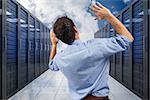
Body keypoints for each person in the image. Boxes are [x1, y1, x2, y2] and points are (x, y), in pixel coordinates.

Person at [49, 2, 134, 100]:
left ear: (59, 38)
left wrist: (54, 44)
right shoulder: (96, 46)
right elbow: (128, 38)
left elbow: (51, 65)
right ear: (75, 29)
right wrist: (109, 16)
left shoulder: (60, 58)